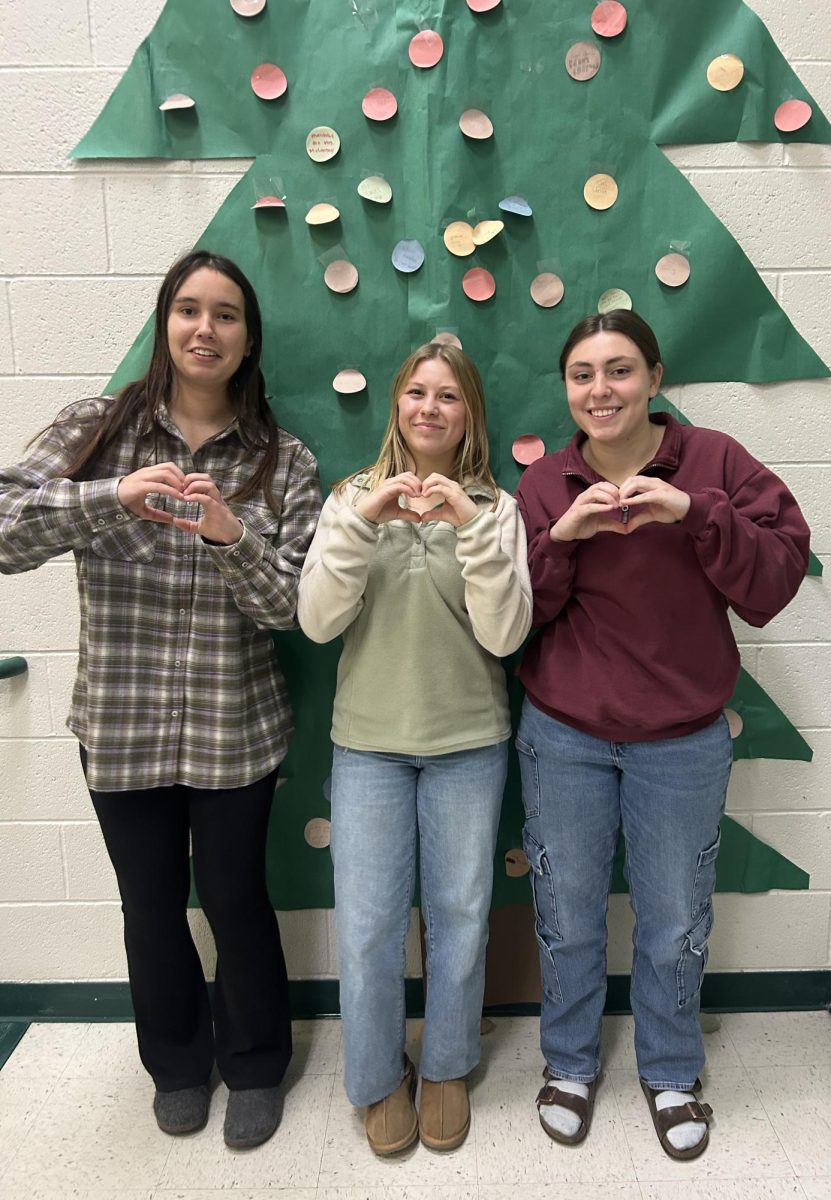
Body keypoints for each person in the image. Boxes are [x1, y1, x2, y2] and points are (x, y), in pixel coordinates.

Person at [0, 250, 322, 1149]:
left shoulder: (283, 459)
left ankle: (256, 1065)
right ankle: (177, 1066)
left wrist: (229, 535)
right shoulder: (96, 429)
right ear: (163, 323)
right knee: (148, 905)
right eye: (188, 309)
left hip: (234, 731)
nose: (205, 328)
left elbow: (294, 608)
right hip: (122, 724)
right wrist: (112, 498)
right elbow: (4, 532)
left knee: (235, 899)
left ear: (248, 339)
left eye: (225, 314)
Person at [514, 310, 809, 1158]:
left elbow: (777, 575)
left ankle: (671, 1072)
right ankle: (569, 1063)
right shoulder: (545, 483)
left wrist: (694, 511)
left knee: (674, 918)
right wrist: (564, 537)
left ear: (653, 375)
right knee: (567, 913)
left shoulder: (712, 460)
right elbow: (516, 617)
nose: (599, 391)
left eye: (618, 371)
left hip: (681, 738)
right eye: (581, 375)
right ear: (565, 387)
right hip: (564, 732)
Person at [299, 342, 532, 1155]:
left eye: (448, 397)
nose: (430, 408)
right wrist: (364, 525)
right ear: (396, 404)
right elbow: (318, 621)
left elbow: (506, 635)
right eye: (416, 393)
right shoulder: (348, 500)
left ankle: (445, 1066)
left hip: (469, 742)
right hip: (368, 745)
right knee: (366, 924)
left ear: (469, 412)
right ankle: (373, 1077)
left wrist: (468, 529)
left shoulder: (497, 509)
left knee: (462, 916)